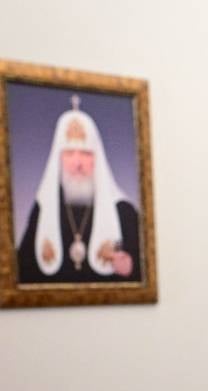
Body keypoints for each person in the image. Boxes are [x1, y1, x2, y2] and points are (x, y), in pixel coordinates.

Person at [16, 95, 140, 283]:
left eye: (85, 153)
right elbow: (21, 276)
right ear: (58, 160)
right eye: (69, 153)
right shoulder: (42, 210)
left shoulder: (124, 212)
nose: (77, 163)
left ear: (97, 160)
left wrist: (127, 264)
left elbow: (144, 275)